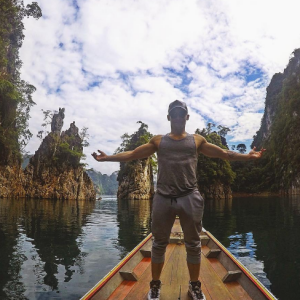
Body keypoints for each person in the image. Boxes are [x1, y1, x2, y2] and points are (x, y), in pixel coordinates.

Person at [92, 100, 265, 300]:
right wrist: (107, 158)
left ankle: (195, 286)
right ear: (168, 117)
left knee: (193, 243)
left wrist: (247, 157)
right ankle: (155, 286)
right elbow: (132, 154)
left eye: (180, 114)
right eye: (173, 114)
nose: (177, 117)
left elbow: (225, 154)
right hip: (163, 198)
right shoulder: (158, 141)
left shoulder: (197, 141)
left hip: (190, 196)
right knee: (158, 243)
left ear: (186, 117)